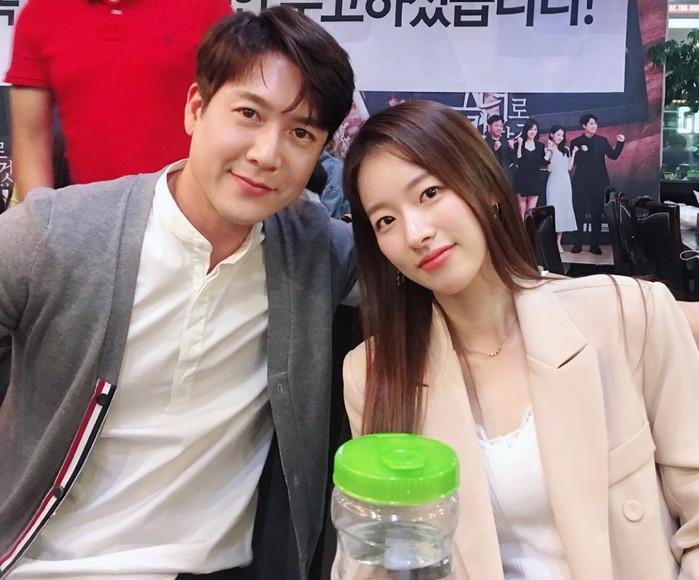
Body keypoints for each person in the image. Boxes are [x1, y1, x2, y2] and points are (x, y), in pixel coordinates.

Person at [0, 7, 355, 579]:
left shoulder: (314, 252)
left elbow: (429, 270)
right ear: (195, 108)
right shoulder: (56, 235)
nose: (267, 154)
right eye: (248, 114)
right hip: (44, 564)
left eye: (301, 133)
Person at [341, 100, 699, 580]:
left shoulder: (628, 315)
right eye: (385, 220)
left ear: (486, 189)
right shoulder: (374, 373)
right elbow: (375, 558)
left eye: (429, 193)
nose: (416, 233)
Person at [5, 0, 232, 201]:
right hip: (90, 217)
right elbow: (30, 139)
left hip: (192, 215)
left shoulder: (207, 5)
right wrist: (40, 222)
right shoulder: (41, 13)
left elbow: (234, 112)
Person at [569, 113, 625, 255]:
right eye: (591, 123)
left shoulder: (602, 141)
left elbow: (613, 155)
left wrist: (620, 143)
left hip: (599, 183)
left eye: (595, 123)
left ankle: (594, 245)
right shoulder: (576, 142)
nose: (594, 126)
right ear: (584, 126)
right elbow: (573, 162)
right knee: (579, 213)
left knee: (596, 214)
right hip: (581, 182)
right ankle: (577, 244)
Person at [544, 125, 578, 253]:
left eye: (562, 135)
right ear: (552, 134)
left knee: (564, 210)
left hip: (565, 184)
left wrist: (573, 154)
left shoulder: (566, 150)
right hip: (554, 183)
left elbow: (569, 168)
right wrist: (551, 151)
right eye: (558, 134)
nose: (560, 137)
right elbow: (549, 168)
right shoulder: (548, 149)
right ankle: (551, 242)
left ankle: (558, 242)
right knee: (554, 211)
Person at [513, 119, 547, 217]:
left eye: (535, 129)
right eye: (530, 129)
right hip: (521, 179)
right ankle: (521, 227)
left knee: (531, 211)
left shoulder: (540, 146)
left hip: (535, 180)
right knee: (522, 209)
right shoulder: (518, 144)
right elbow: (518, 160)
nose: (533, 132)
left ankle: (529, 227)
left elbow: (543, 163)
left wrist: (549, 152)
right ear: (526, 130)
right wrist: (520, 144)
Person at [484, 114, 516, 186]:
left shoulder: (505, 141)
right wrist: (494, 149)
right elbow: (483, 160)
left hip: (506, 177)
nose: (499, 128)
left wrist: (511, 148)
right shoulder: (484, 142)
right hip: (490, 177)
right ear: (489, 127)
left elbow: (513, 160)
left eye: (501, 126)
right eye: (496, 126)